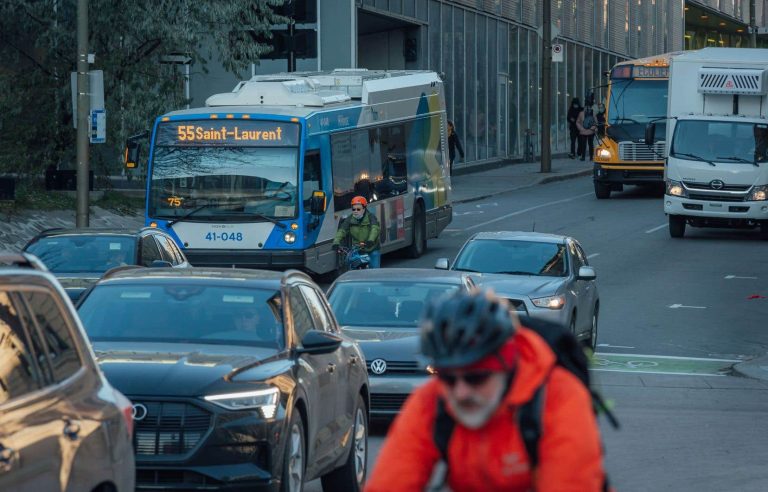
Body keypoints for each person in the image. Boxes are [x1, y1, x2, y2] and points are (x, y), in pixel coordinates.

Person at [365, 289, 607, 492]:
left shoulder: (559, 396)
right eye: (448, 378)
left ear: (508, 363)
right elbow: (389, 482)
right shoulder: (432, 400)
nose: (460, 393)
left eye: (476, 377)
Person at [332, 196, 381, 268]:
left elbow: (375, 229)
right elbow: (342, 231)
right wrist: (336, 242)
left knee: (374, 269)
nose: (355, 211)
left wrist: (371, 240)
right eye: (353, 209)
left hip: (372, 248)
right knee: (353, 269)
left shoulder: (371, 217)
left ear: (364, 208)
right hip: (358, 249)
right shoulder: (349, 219)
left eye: (358, 209)